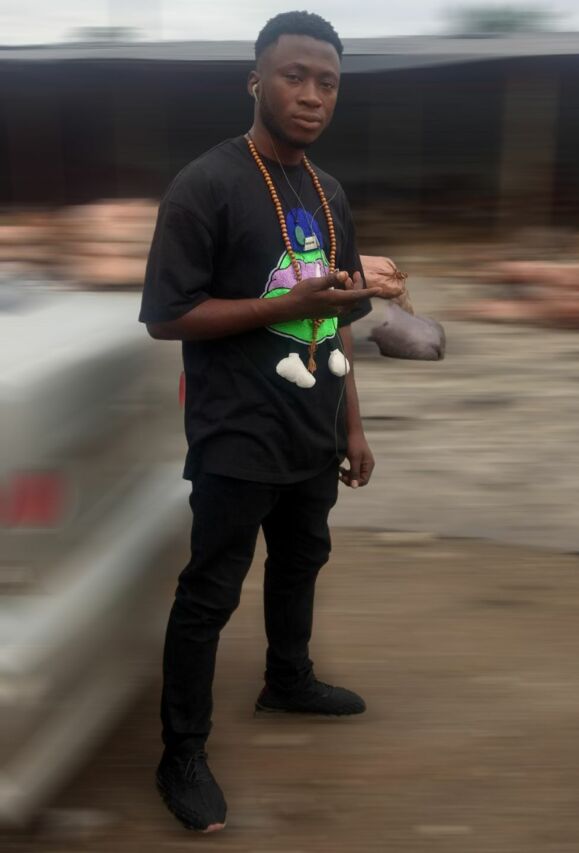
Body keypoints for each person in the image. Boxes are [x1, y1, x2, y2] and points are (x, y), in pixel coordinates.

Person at [139, 10, 389, 834]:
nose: (313, 95)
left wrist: (353, 425)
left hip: (314, 423)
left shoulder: (330, 192)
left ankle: (288, 679)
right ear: (256, 80)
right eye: (295, 76)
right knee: (210, 591)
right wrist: (280, 306)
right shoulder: (206, 184)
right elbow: (167, 317)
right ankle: (181, 752)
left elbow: (338, 313)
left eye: (328, 82)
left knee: (302, 559)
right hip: (237, 430)